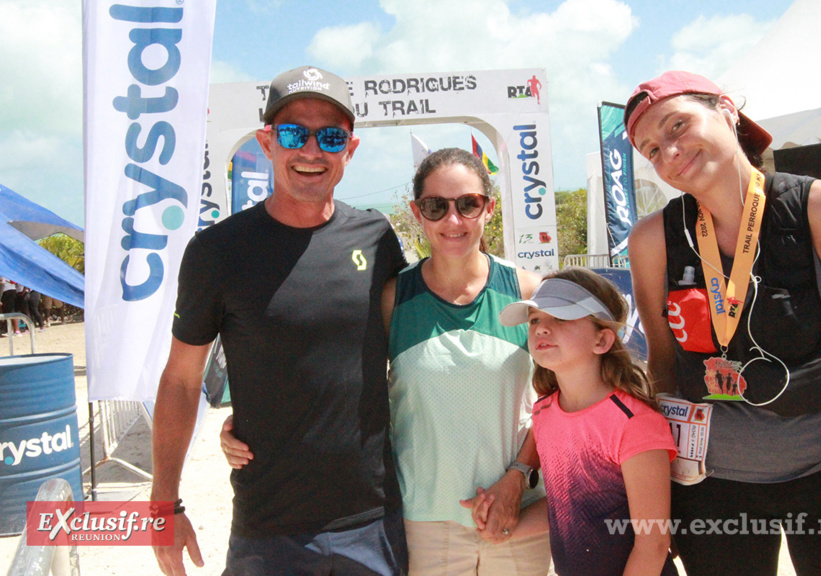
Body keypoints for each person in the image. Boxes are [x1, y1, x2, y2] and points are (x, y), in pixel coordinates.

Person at [223, 148, 552, 576]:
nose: (453, 221)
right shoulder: (393, 298)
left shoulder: (528, 292)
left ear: (488, 209)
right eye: (436, 206)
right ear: (417, 212)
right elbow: (331, 376)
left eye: (468, 204)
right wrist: (248, 425)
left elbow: (561, 398)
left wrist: (517, 477)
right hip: (423, 523)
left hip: (517, 514)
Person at [150, 65, 408, 576]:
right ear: (267, 143)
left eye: (331, 136)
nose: (311, 151)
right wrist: (164, 504)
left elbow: (420, 346)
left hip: (374, 523)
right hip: (268, 534)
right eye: (294, 132)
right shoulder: (217, 251)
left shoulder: (377, 238)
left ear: (349, 151)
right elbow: (181, 381)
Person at [625, 70, 821, 576]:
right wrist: (665, 498)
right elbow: (663, 370)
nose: (667, 153)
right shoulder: (652, 240)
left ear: (728, 110)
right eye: (650, 150)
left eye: (677, 126)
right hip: (713, 488)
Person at [485, 268, 678, 576]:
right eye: (534, 319)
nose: (541, 329)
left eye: (560, 318)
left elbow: (653, 542)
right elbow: (566, 510)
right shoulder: (544, 413)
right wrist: (503, 528)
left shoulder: (634, 422)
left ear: (602, 340)